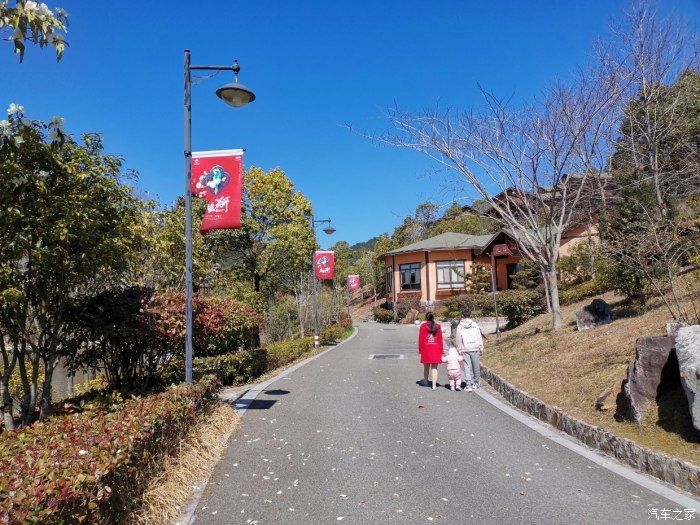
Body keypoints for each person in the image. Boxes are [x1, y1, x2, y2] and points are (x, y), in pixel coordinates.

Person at [455, 308, 485, 392]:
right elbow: (479, 335)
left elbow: (458, 338)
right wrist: (481, 347)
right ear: (470, 315)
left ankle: (468, 385)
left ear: (462, 315)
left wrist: (459, 348)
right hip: (475, 347)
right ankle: (476, 382)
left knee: (467, 366)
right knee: (476, 366)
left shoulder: (460, 326)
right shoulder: (475, 324)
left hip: (465, 348)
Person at [418, 312, 444, 390]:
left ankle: (426, 382)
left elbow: (421, 339)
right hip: (436, 349)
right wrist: (441, 351)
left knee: (426, 367)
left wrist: (420, 350)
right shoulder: (438, 326)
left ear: (426, 318)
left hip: (426, 349)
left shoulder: (423, 326)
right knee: (434, 368)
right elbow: (440, 339)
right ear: (433, 318)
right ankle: (434, 385)